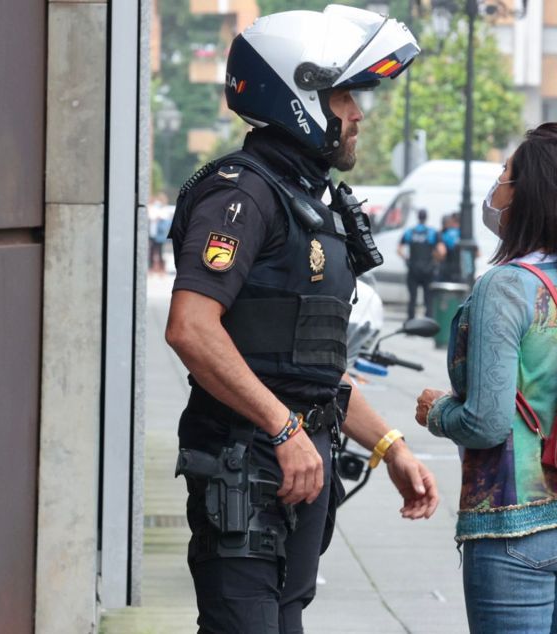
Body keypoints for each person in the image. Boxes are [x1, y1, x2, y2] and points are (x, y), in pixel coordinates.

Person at [165, 6, 439, 633]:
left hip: (292, 475)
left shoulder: (305, 202)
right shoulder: (241, 194)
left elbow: (310, 367)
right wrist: (284, 430)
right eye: (345, 95)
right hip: (244, 471)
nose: (357, 114)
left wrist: (390, 448)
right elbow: (190, 326)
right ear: (300, 93)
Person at [412, 123, 557, 633]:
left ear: (531, 195)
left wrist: (437, 412)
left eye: (505, 174)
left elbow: (487, 423)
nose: (497, 186)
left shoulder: (505, 288)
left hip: (516, 525)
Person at [397, 208, 442, 319]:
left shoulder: (410, 232)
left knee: (412, 298)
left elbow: (399, 249)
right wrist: (435, 261)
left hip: (413, 269)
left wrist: (406, 259)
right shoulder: (432, 232)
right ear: (426, 217)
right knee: (428, 297)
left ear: (418, 217)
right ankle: (427, 321)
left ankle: (410, 321)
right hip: (428, 270)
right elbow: (441, 251)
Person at [436, 212, 461, 283]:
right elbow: (478, 254)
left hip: (446, 271)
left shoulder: (443, 234)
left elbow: (442, 253)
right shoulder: (465, 234)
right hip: (461, 271)